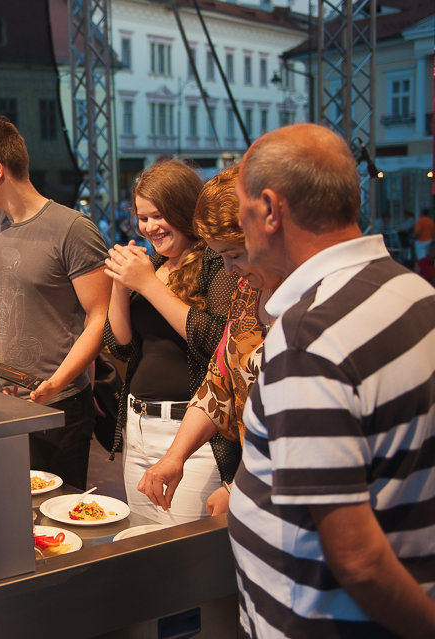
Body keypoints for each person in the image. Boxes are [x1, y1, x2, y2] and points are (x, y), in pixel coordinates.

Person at [229, 123, 435, 638]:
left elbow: (359, 562)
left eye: (240, 207)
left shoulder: (308, 336)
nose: (240, 224)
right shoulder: (415, 292)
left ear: (270, 209)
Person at [0, 115, 111, 491]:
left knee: (56, 515)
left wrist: (57, 382)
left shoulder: (72, 228)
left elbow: (99, 317)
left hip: (61, 404)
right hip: (3, 402)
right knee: (8, 507)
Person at [136, 165, 282, 518]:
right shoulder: (248, 291)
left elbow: (296, 424)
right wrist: (174, 457)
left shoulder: (312, 303)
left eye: (235, 254)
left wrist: (239, 486)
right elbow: (218, 383)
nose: (230, 269)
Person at [103, 159, 239, 524]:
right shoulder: (154, 265)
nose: (150, 227)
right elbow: (120, 346)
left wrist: (148, 285)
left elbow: (218, 342)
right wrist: (120, 283)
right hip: (138, 427)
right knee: (144, 539)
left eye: (158, 216)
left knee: (184, 543)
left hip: (194, 437)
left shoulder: (216, 260)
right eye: (142, 218)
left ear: (185, 211)